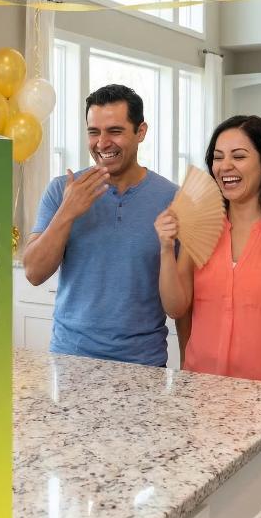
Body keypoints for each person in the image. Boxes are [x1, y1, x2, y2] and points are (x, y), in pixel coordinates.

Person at [154, 115, 261, 386]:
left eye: (239, 156)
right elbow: (175, 308)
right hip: (200, 391)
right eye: (218, 157)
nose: (225, 166)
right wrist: (165, 247)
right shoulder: (201, 228)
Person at [23, 83, 178, 365]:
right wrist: (67, 211)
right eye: (94, 132)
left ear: (141, 132)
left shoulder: (172, 198)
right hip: (71, 360)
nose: (102, 143)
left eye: (115, 131)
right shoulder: (61, 190)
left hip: (143, 364)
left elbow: (182, 300)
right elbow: (34, 273)